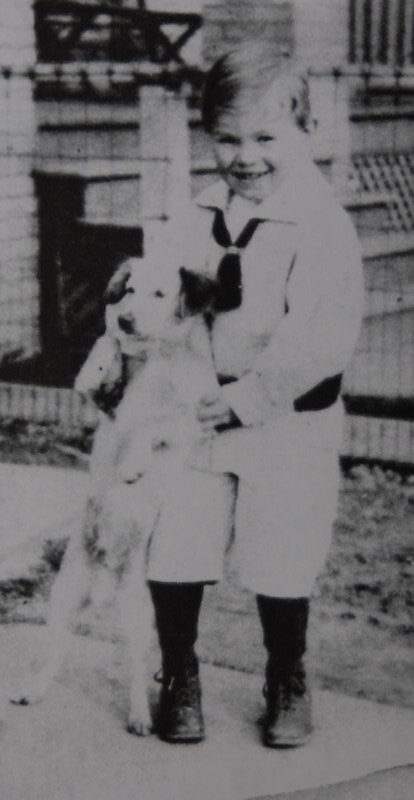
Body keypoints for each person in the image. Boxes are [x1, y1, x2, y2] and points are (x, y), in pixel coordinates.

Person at [146, 44, 364, 748]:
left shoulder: (321, 225)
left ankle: (286, 674)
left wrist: (250, 396)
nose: (246, 157)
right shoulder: (196, 215)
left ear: (307, 132)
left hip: (284, 420)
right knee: (175, 539)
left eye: (266, 138)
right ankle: (179, 671)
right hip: (200, 415)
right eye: (228, 138)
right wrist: (185, 383)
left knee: (283, 548)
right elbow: (170, 304)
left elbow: (321, 336)